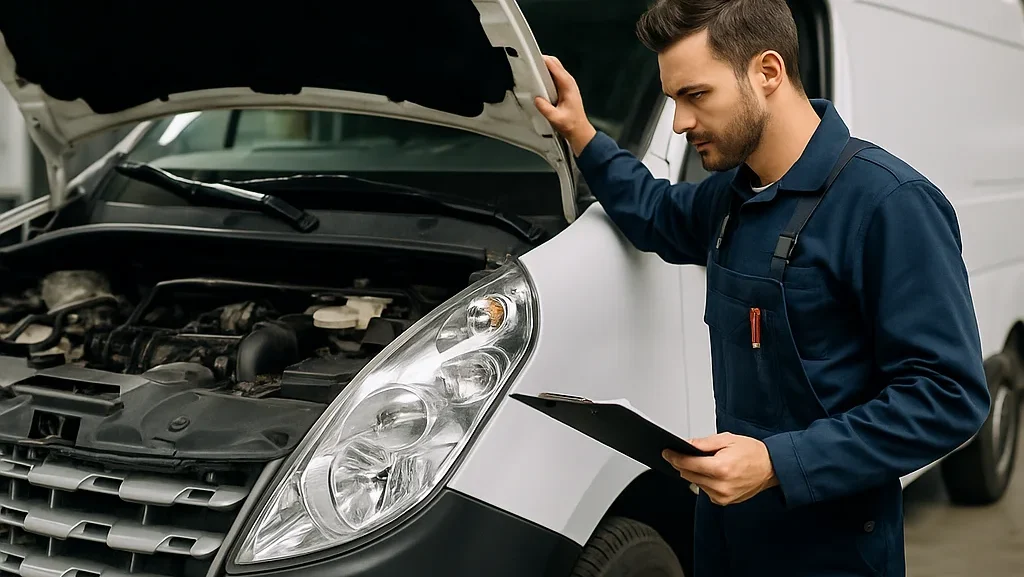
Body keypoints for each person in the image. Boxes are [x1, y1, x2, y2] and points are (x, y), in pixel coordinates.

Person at [533, 0, 991, 575]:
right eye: (674, 99)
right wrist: (581, 134)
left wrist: (779, 462)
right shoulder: (732, 197)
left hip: (831, 553)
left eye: (696, 96)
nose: (680, 122)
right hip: (726, 535)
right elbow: (653, 211)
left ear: (767, 72)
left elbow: (949, 397)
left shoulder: (888, 205)